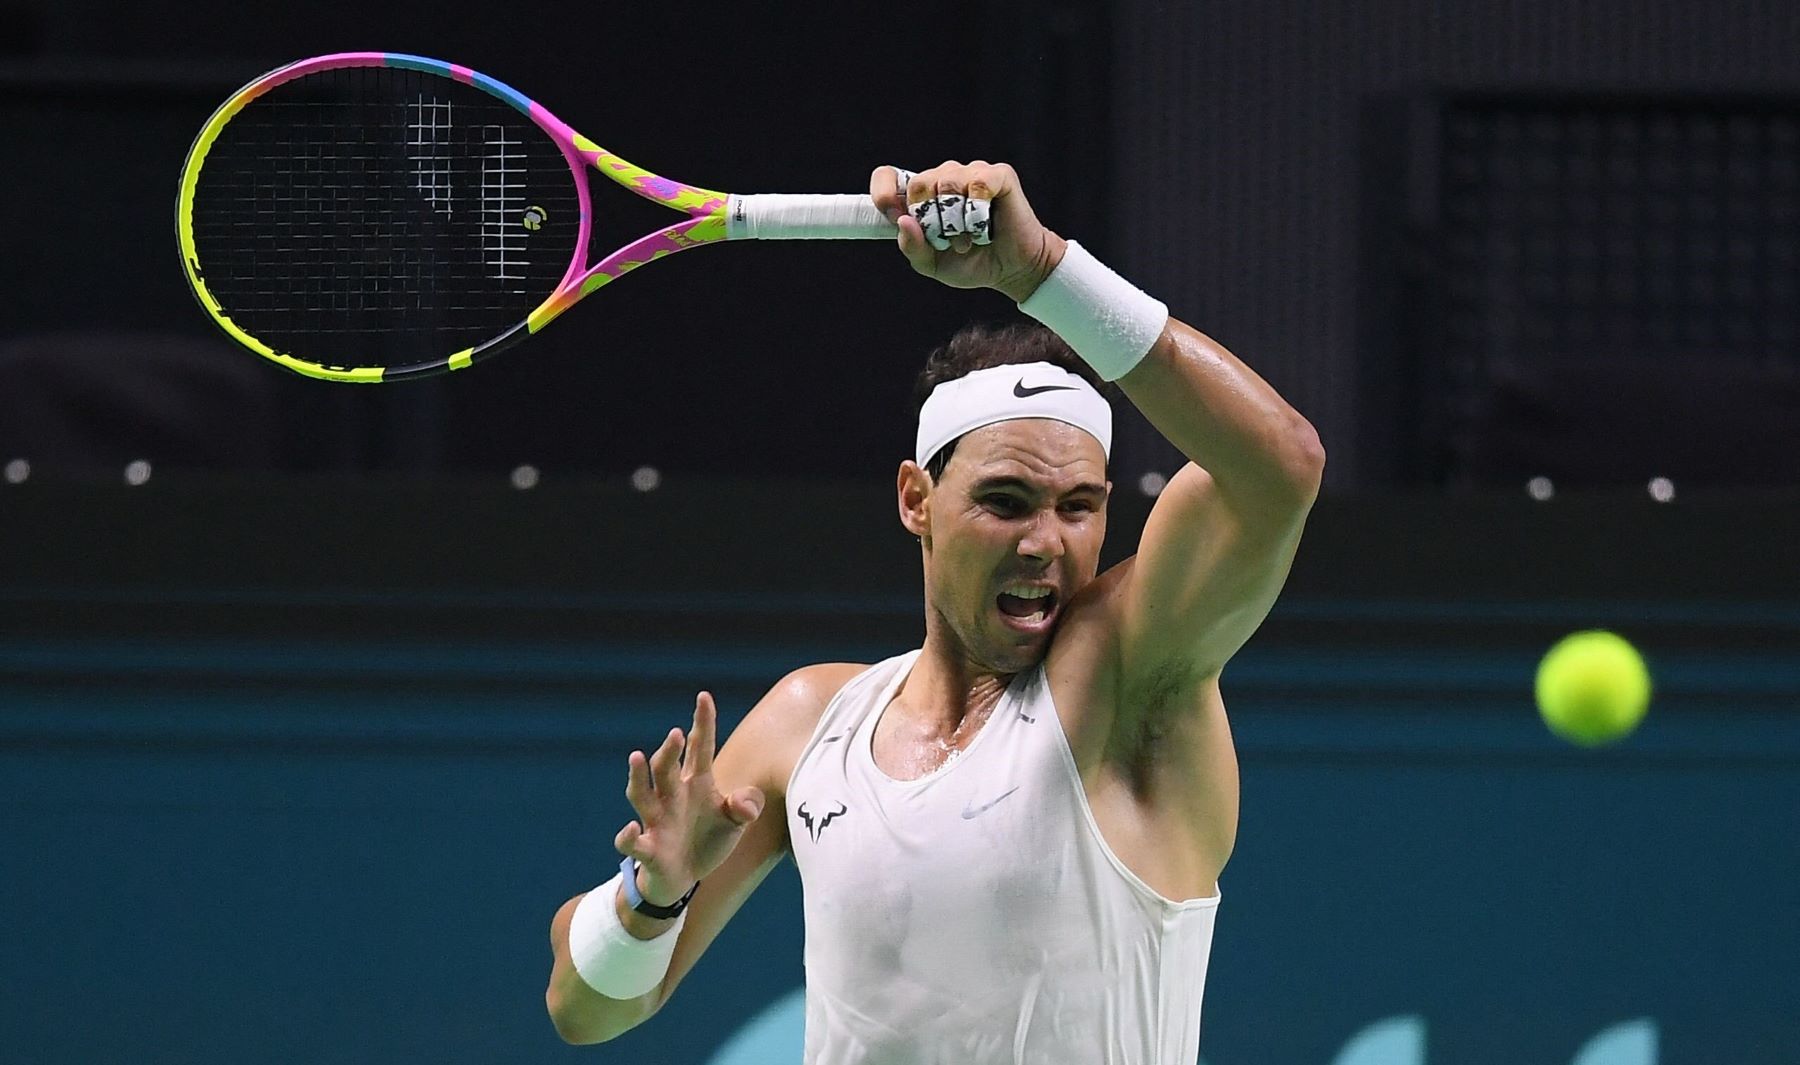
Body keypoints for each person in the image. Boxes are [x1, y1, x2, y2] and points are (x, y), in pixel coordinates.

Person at [544, 160, 1325, 1063]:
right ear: (917, 499)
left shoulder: (1129, 672)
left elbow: (1281, 467)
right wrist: (654, 895)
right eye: (1004, 501)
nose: (1046, 542)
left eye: (1080, 505)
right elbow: (585, 1008)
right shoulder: (814, 721)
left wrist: (1040, 272)